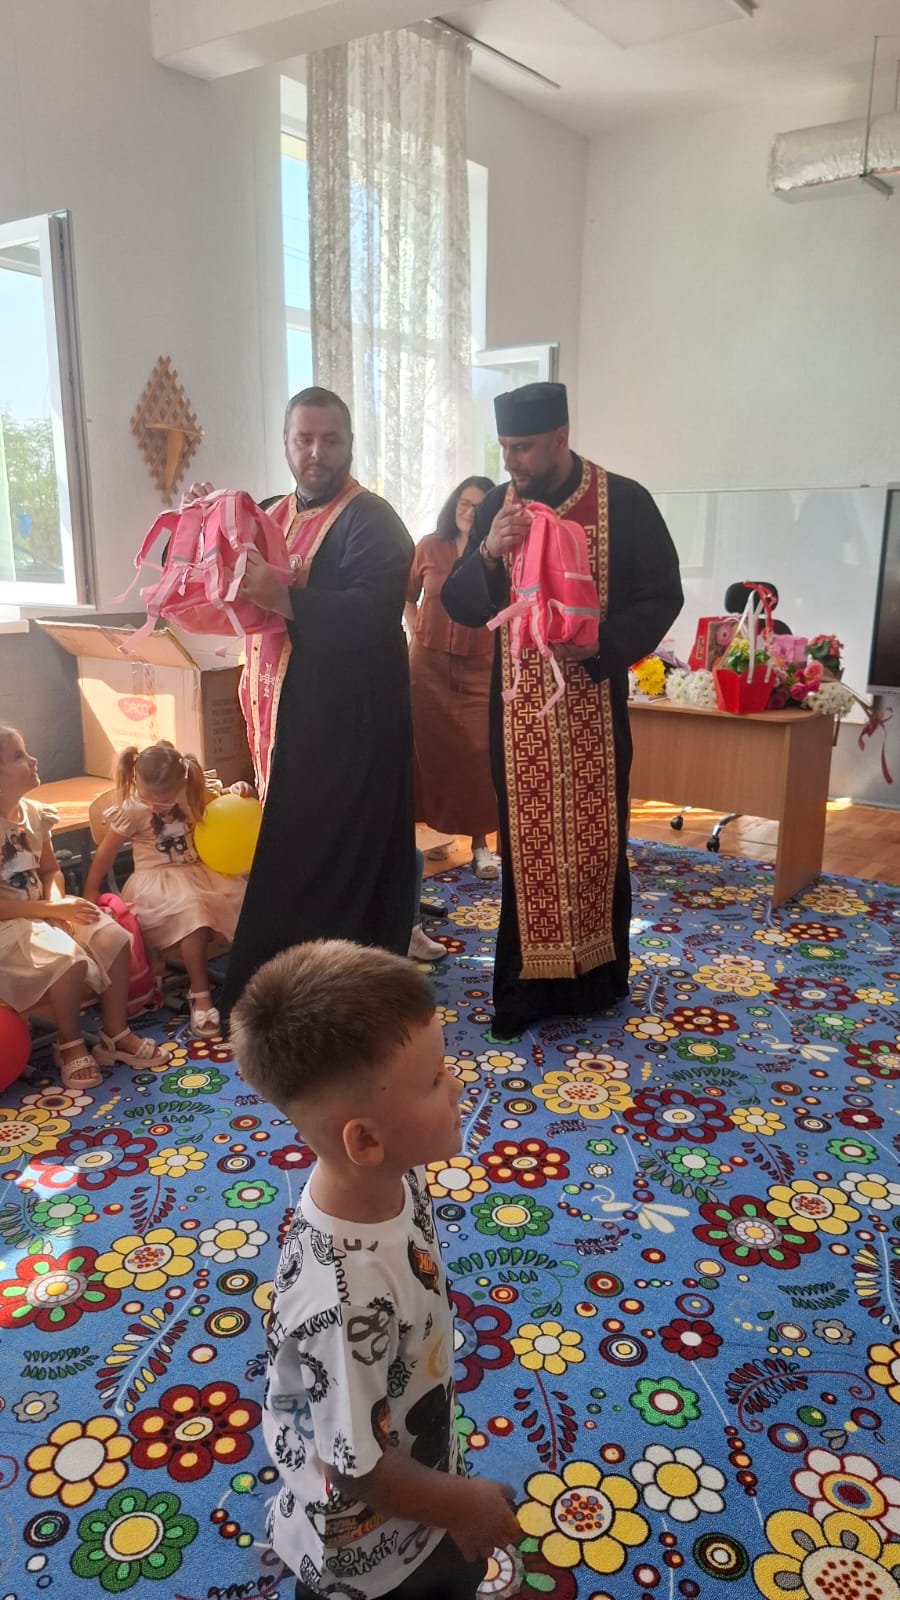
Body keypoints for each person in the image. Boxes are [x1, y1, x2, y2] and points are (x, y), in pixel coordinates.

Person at [230, 939, 521, 1600]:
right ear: (364, 1138)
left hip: (408, 1439)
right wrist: (463, 1504)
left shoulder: (388, 1173)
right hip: (369, 1554)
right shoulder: (345, 1302)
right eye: (435, 1079)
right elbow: (357, 1470)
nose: (457, 1085)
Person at [442, 382, 683, 1040]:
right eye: (505, 448)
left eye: (523, 448)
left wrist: (600, 643)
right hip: (517, 714)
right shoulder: (498, 507)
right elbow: (460, 605)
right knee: (528, 849)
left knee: (598, 846)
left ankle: (598, 980)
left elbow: (662, 596)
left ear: (560, 437)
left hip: (594, 706)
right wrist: (488, 550)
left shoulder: (624, 501)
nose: (511, 461)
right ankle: (527, 991)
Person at [215, 387, 415, 1015]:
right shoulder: (270, 513)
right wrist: (208, 523)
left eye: (330, 440)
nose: (316, 453)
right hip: (282, 721)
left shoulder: (372, 519)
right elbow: (217, 578)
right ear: (286, 443)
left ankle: (336, 998)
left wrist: (284, 598)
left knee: (333, 865)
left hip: (348, 731)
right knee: (289, 857)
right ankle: (279, 995)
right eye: (304, 439)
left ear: (349, 444)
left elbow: (372, 612)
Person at [0, 726, 165, 1088]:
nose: (33, 760)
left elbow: (50, 870)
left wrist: (59, 901)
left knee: (114, 937)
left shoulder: (34, 814)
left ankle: (114, 1034)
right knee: (67, 960)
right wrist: (51, 911)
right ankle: (69, 1044)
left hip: (44, 910)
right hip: (9, 928)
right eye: (18, 757)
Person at [84, 741, 247, 1040]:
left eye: (165, 800)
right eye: (151, 800)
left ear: (181, 782)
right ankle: (200, 992)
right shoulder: (133, 808)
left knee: (244, 896)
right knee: (193, 912)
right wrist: (91, 890)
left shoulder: (192, 788)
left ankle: (249, 978)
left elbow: (224, 807)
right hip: (154, 882)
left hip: (198, 871)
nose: (157, 806)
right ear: (137, 783)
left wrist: (238, 791)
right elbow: (105, 854)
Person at [405, 477, 499, 880]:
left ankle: (479, 845)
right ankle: (419, 840)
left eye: (479, 505)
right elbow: (406, 594)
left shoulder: (498, 553)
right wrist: (417, 630)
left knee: (477, 754)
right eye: (463, 502)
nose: (469, 511)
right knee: (425, 751)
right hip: (427, 665)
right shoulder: (429, 546)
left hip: (480, 665)